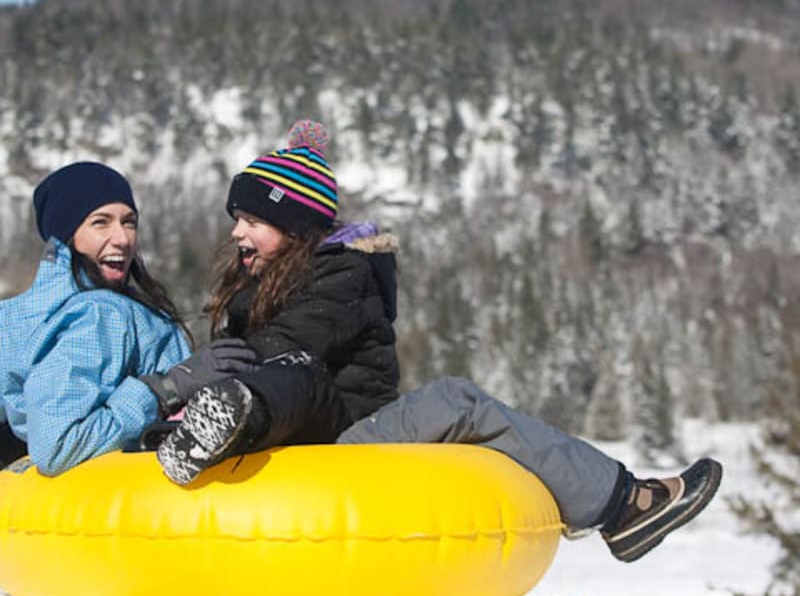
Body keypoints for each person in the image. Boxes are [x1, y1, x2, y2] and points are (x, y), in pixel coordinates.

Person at [153, 121, 723, 563]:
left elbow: (289, 344)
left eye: (253, 219)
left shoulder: (342, 276)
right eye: (237, 218)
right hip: (291, 434)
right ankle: (213, 423)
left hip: (346, 432)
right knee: (271, 373)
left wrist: (226, 375)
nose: (237, 232)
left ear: (299, 225)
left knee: (455, 401)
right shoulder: (251, 284)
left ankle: (624, 505)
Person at [0, 162, 257, 475]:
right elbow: (58, 446)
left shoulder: (16, 317)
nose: (122, 238)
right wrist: (166, 388)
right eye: (101, 223)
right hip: (122, 509)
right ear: (67, 234)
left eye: (129, 222)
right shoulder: (100, 314)